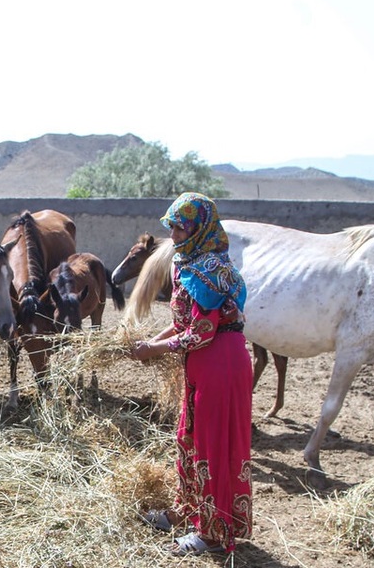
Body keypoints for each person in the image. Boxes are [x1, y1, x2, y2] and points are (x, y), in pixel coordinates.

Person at [128, 192, 253, 555]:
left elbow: (203, 331)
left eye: (181, 228)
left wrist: (153, 350)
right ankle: (188, 511)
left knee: (212, 447)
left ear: (200, 227)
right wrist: (150, 341)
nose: (175, 235)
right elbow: (182, 322)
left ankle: (212, 534)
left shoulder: (210, 269)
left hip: (220, 363)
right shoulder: (190, 262)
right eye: (173, 227)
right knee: (189, 439)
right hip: (201, 364)